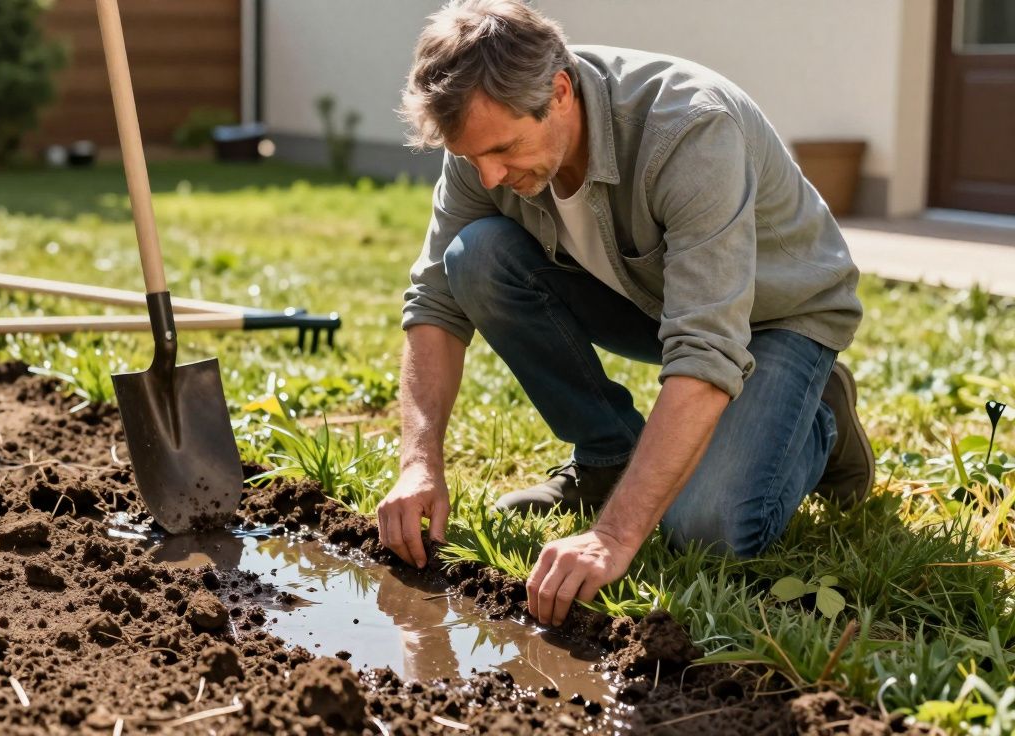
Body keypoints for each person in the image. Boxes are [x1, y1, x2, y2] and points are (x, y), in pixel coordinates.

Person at [375, 0, 874, 630]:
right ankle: (608, 458)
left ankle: (819, 416)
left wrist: (611, 537)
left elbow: (705, 345)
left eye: (502, 150)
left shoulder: (690, 129)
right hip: (649, 297)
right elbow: (435, 303)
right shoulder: (483, 136)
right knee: (472, 257)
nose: (490, 174)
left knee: (708, 529)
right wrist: (419, 462)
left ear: (559, 92)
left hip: (771, 318)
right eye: (474, 158)